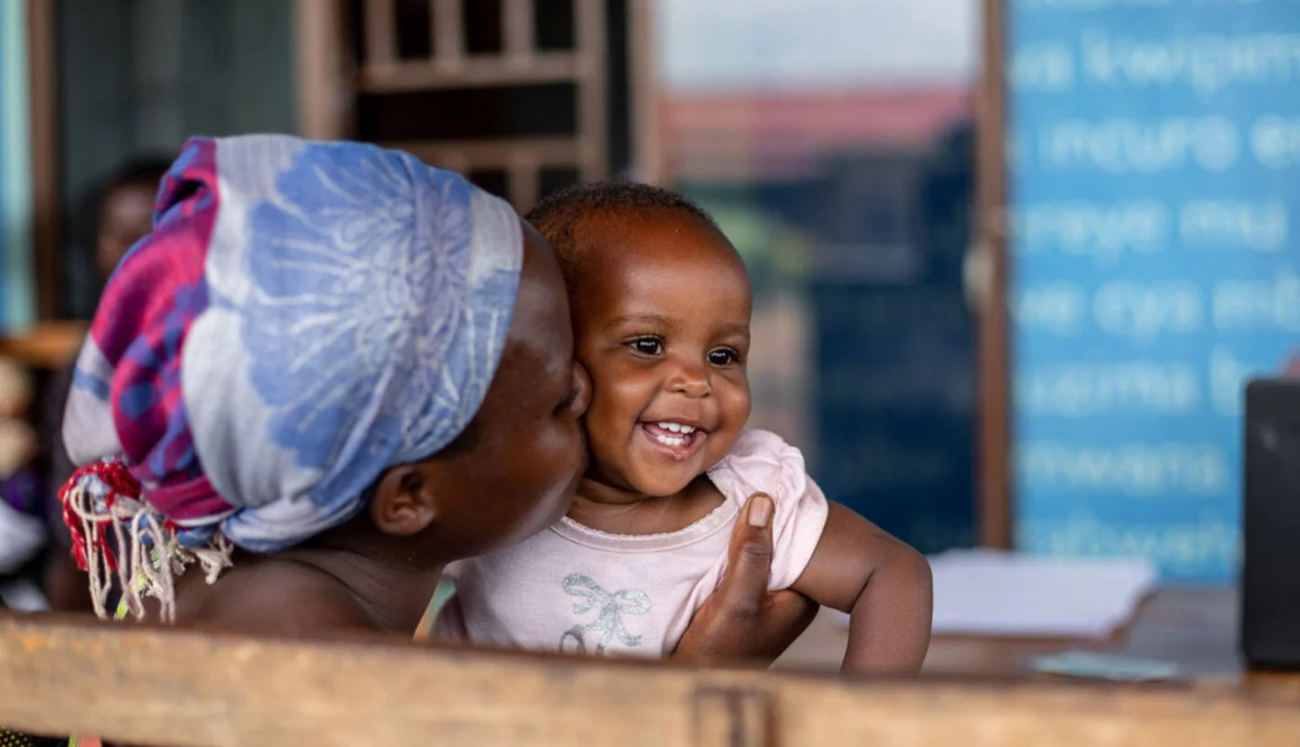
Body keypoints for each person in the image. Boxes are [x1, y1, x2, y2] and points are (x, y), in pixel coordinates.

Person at [0, 136, 819, 747]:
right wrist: (692, 690)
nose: (584, 390)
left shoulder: (168, 608)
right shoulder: (378, 708)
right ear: (411, 496)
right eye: (552, 400)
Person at [435, 182, 934, 674]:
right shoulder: (492, 491)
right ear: (550, 354)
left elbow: (893, 574)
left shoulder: (750, 505)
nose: (697, 382)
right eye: (648, 345)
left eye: (724, 356)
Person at [42, 159, 171, 614]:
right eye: (113, 232)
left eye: (149, 228)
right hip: (108, 580)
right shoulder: (85, 365)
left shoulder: (208, 352)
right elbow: (67, 511)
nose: (129, 248)